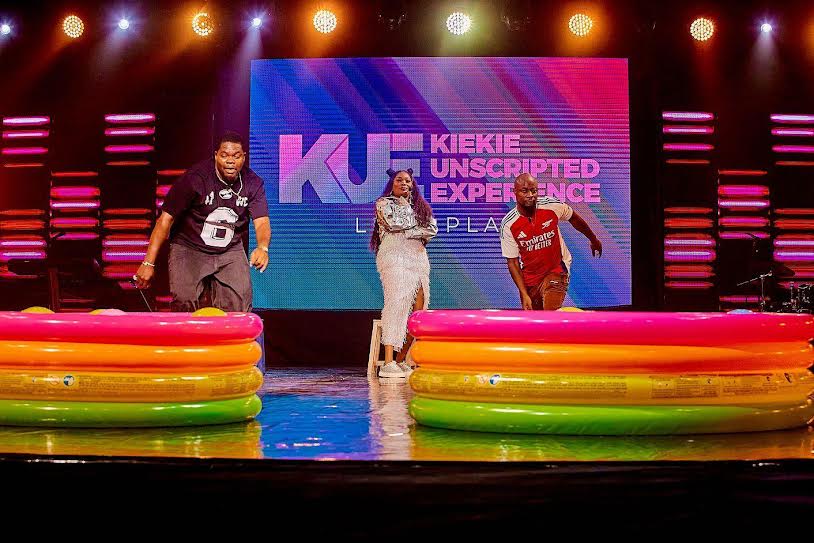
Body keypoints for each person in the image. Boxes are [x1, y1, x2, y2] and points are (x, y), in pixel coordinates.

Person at [134, 131, 271, 312]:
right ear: (216, 156)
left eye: (236, 156)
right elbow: (165, 220)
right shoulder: (195, 179)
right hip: (190, 247)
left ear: (244, 157)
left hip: (229, 249)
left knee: (239, 306)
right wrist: (148, 263)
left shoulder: (253, 183)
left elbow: (261, 221)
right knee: (184, 302)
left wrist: (262, 247)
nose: (230, 161)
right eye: (225, 155)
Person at [500, 173, 602, 310]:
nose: (530, 195)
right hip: (530, 280)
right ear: (515, 192)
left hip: (557, 270)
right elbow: (513, 262)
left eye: (534, 191)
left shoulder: (551, 205)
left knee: (550, 315)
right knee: (536, 322)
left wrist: (593, 239)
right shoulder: (509, 224)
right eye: (524, 191)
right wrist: (523, 293)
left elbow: (574, 218)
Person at [371, 169, 437, 378]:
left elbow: (432, 229)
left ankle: (400, 360)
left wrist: (410, 228)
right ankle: (387, 362)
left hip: (417, 258)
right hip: (394, 256)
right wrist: (416, 227)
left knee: (419, 308)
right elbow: (393, 224)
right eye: (399, 180)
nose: (404, 183)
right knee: (396, 303)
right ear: (392, 184)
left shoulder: (420, 207)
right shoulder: (384, 203)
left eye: (408, 181)